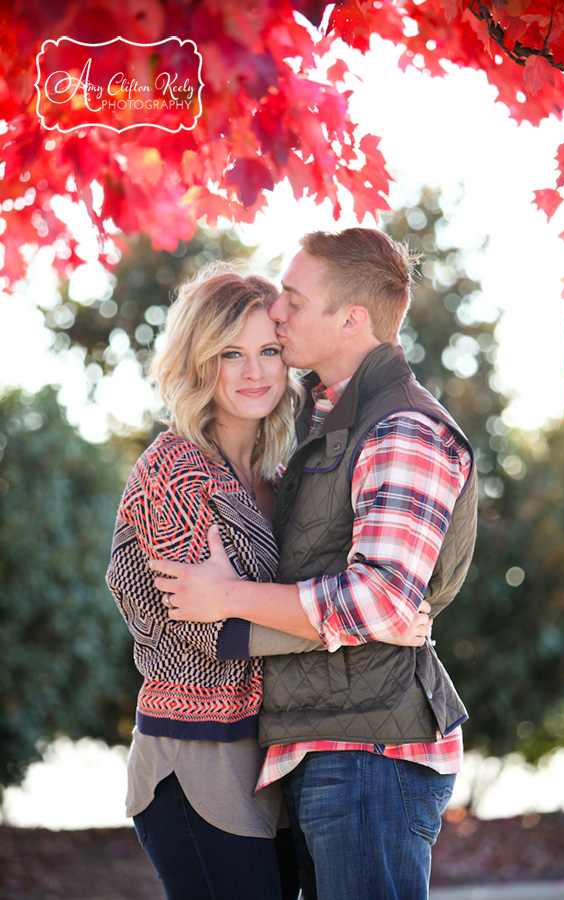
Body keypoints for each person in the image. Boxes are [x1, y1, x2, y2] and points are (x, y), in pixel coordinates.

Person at [150, 228, 478, 900]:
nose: (278, 313)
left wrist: (230, 596)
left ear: (352, 319)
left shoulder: (402, 429)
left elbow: (382, 600)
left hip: (369, 758)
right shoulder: (321, 427)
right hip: (324, 744)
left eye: (294, 303)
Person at [105, 265, 313, 900]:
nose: (256, 372)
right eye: (232, 353)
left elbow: (247, 606)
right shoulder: (176, 468)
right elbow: (212, 632)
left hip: (266, 753)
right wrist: (351, 627)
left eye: (269, 351)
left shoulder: (277, 476)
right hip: (193, 756)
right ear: (199, 361)